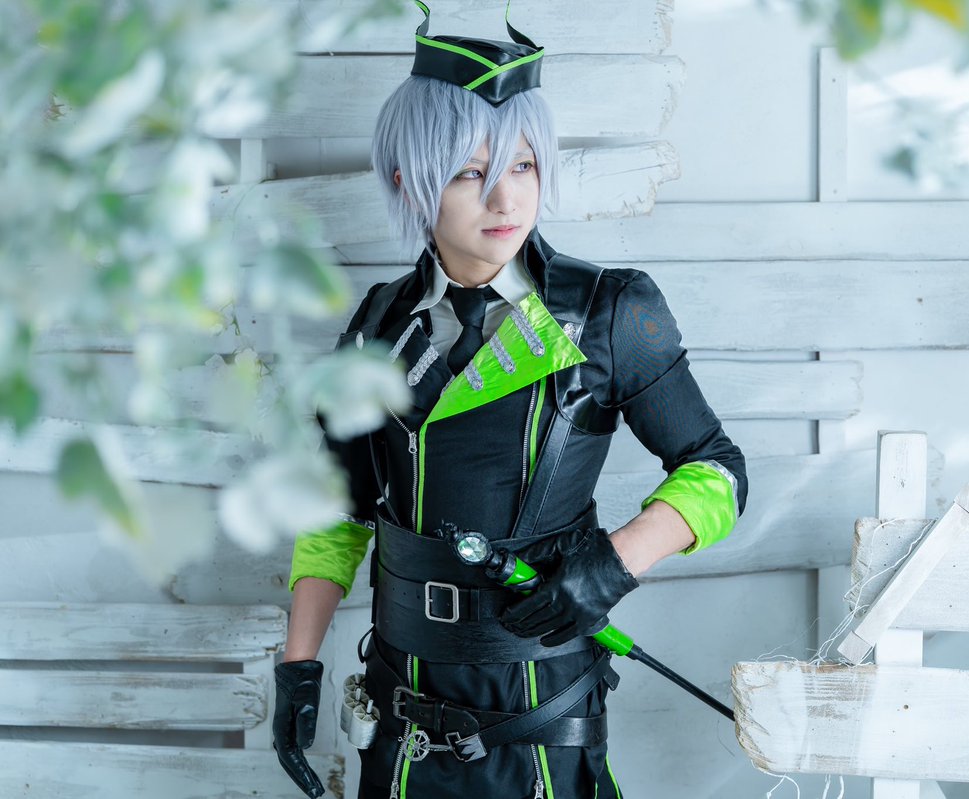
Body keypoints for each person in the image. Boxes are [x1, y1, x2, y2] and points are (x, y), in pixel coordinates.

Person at [271, 4, 748, 797]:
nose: (505, 200)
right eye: (470, 174)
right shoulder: (378, 326)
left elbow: (719, 472)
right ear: (409, 179)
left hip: (541, 719)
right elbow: (336, 514)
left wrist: (613, 564)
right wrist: (298, 667)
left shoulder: (609, 311)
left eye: (523, 166)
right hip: (401, 724)